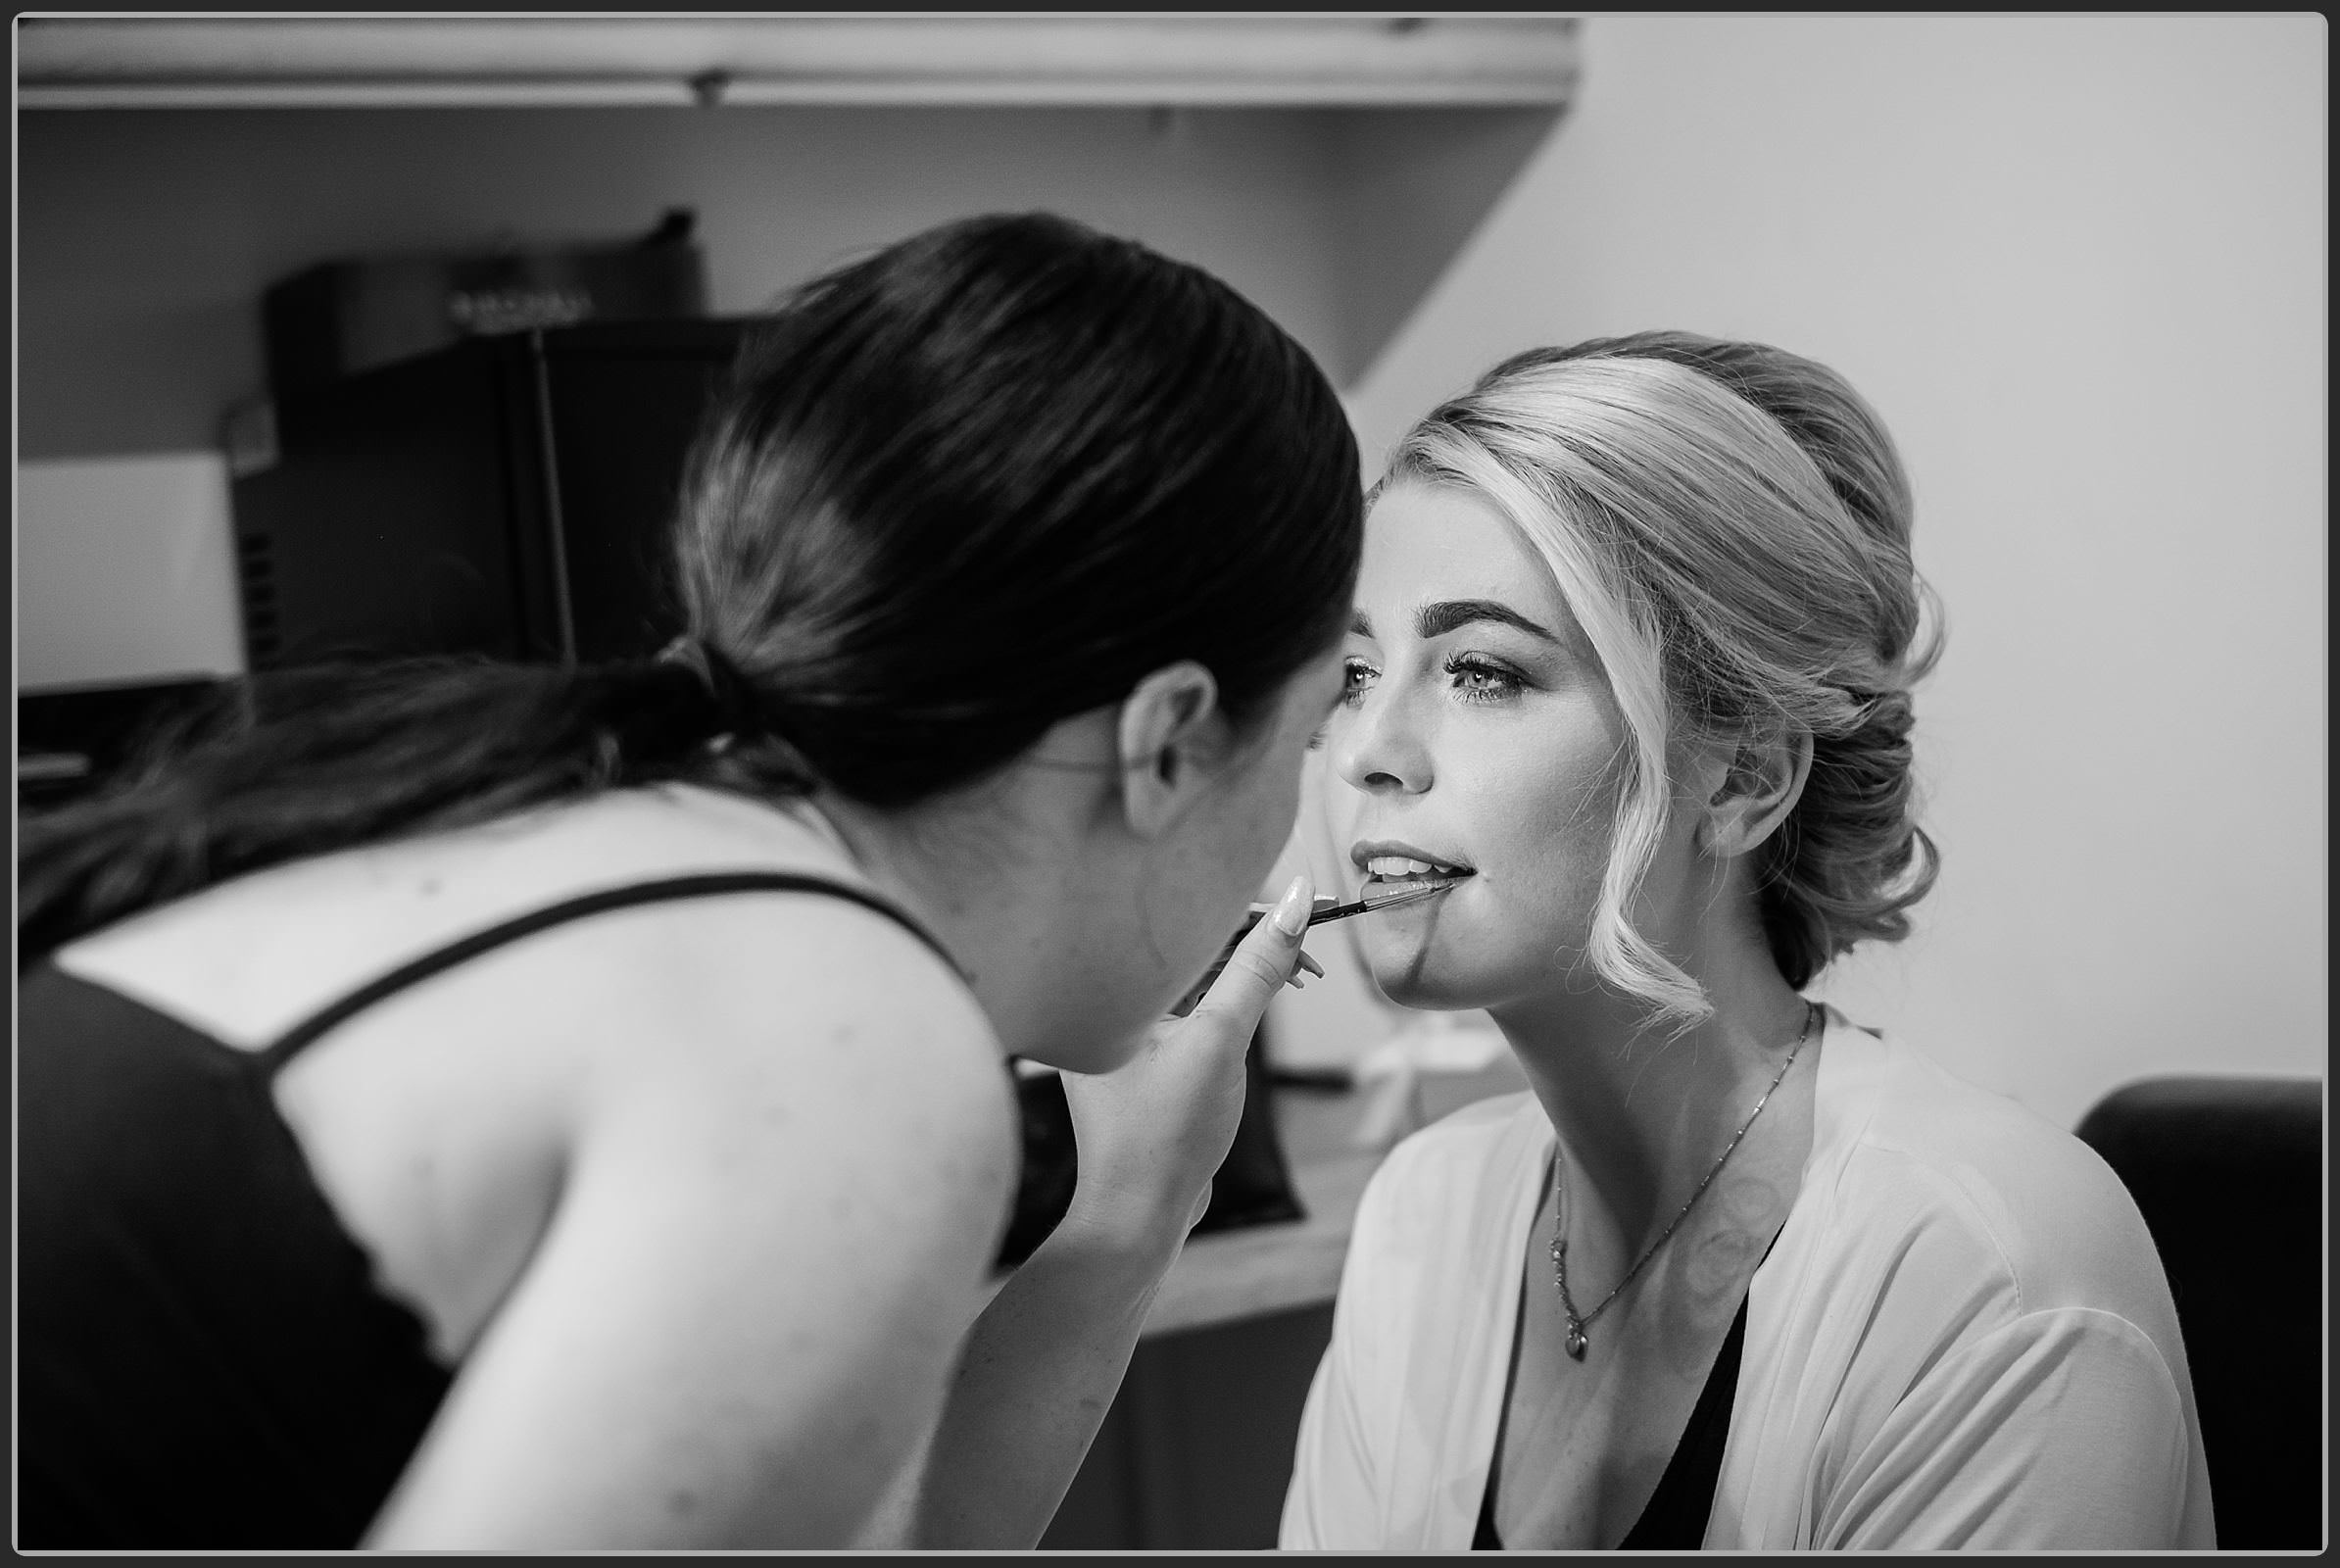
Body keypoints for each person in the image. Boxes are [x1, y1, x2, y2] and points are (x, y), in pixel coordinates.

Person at [17, 211, 1362, 1550]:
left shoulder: (609, 831)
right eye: (1307, 735)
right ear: (1171, 739)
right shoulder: (841, 1037)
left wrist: (1125, 1218)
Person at [1278, 332, 2215, 1550]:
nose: (1364, 750)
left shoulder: (1984, 1274)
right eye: (1354, 671)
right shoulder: (1423, 1216)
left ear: (1742, 778)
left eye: (1483, 670)